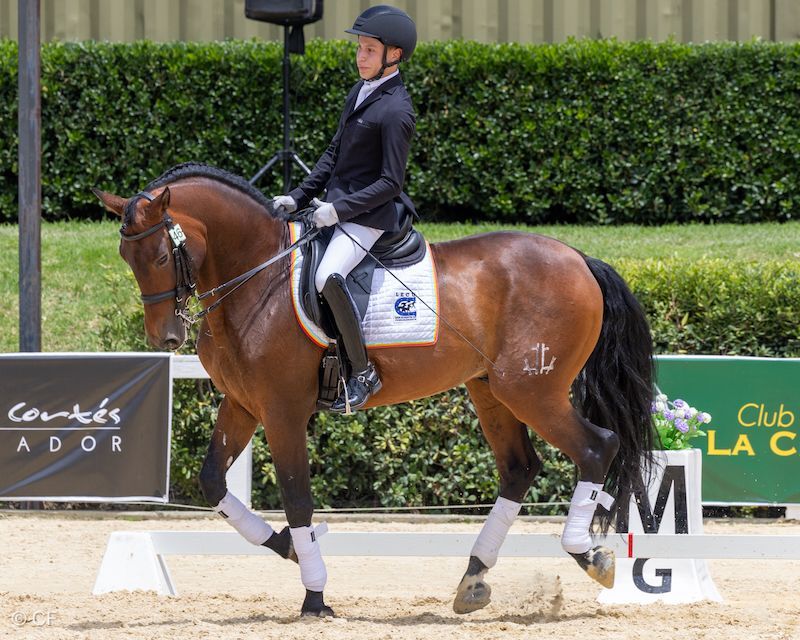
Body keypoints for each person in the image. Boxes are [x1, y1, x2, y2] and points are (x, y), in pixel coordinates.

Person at [272, 5, 418, 414]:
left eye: (370, 50)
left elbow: (391, 183)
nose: (360, 57)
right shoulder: (360, 91)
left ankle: (362, 371)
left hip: (368, 216)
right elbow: (333, 154)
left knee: (326, 275)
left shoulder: (397, 111)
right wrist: (298, 197)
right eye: (359, 48)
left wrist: (339, 211)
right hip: (334, 205)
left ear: (395, 55)